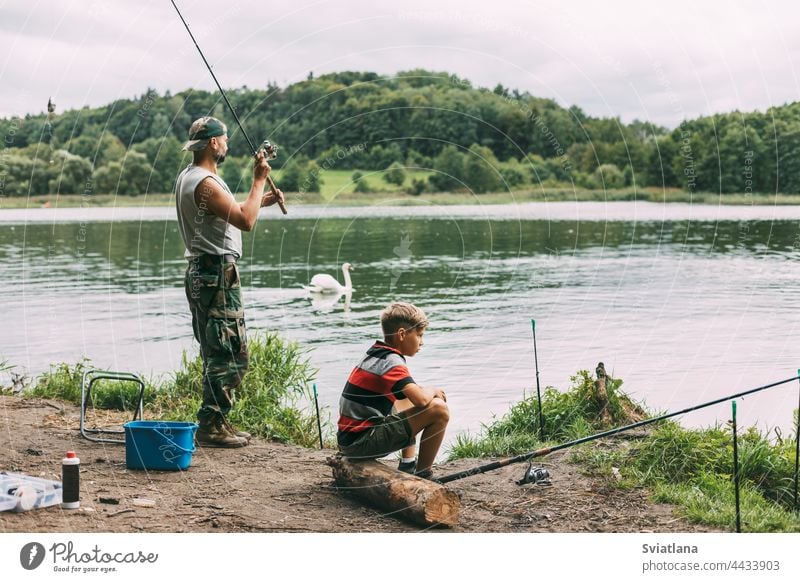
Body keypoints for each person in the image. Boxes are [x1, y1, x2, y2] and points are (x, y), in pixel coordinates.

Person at [175, 116, 284, 447]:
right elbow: (245, 221)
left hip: (202, 271)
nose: (228, 143)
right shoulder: (206, 182)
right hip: (215, 273)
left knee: (215, 349)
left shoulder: (189, 177)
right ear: (212, 143)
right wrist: (259, 180)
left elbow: (231, 214)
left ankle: (217, 420)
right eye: (224, 139)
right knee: (230, 352)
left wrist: (261, 199)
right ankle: (210, 424)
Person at [336, 302, 449, 479]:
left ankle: (408, 464)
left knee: (407, 394)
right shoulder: (392, 361)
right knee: (438, 409)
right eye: (419, 335)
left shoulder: (376, 352)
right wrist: (433, 389)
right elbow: (421, 401)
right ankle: (423, 474)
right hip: (361, 443)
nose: (422, 342)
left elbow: (412, 396)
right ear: (402, 334)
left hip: (349, 440)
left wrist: (423, 390)